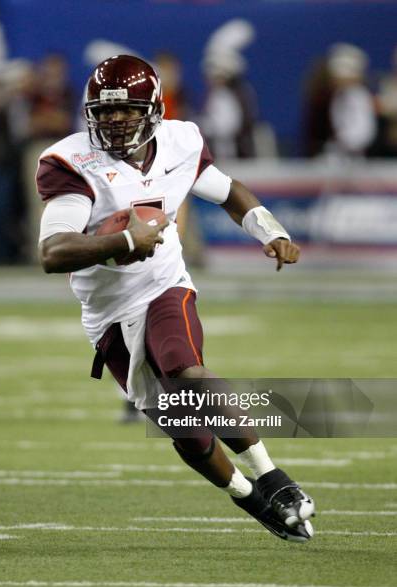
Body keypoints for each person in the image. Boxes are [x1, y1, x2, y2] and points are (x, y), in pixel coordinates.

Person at [36, 55, 315, 542]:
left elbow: (228, 191)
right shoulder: (72, 161)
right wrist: (124, 241)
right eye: (104, 112)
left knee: (185, 372)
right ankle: (249, 497)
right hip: (108, 312)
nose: (115, 121)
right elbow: (53, 252)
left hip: (165, 284)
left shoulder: (179, 142)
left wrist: (269, 230)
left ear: (154, 109)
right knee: (183, 426)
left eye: (127, 111)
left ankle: (273, 478)